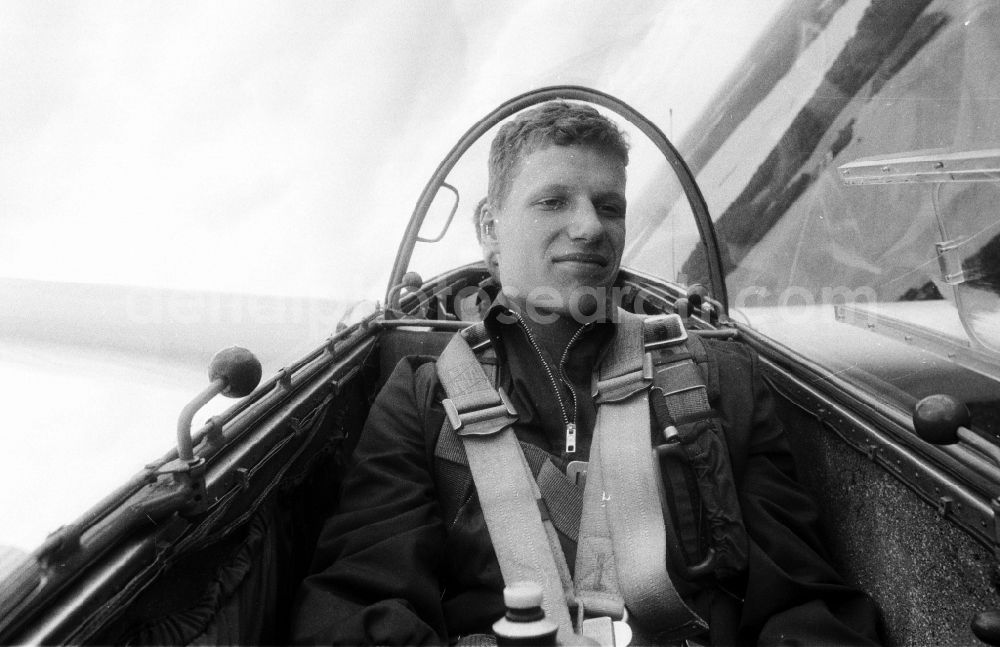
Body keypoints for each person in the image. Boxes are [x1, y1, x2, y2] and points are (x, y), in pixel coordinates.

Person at [291, 101, 881, 645]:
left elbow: (804, 606)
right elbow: (356, 611)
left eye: (609, 206)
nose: (591, 227)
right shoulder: (422, 400)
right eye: (554, 202)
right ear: (490, 228)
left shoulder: (718, 379)